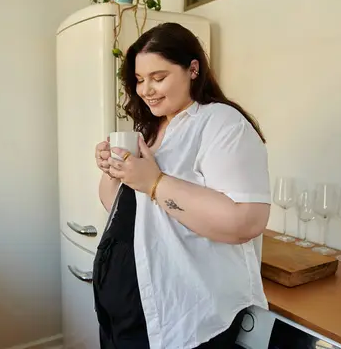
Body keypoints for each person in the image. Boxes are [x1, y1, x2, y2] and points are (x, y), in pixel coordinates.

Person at [93, 22, 271, 349]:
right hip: (127, 316)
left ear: (192, 69)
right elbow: (115, 206)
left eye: (158, 78)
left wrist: (156, 182)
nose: (146, 90)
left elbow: (246, 221)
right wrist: (113, 172)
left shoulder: (221, 124)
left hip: (188, 318)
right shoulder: (149, 130)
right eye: (139, 80)